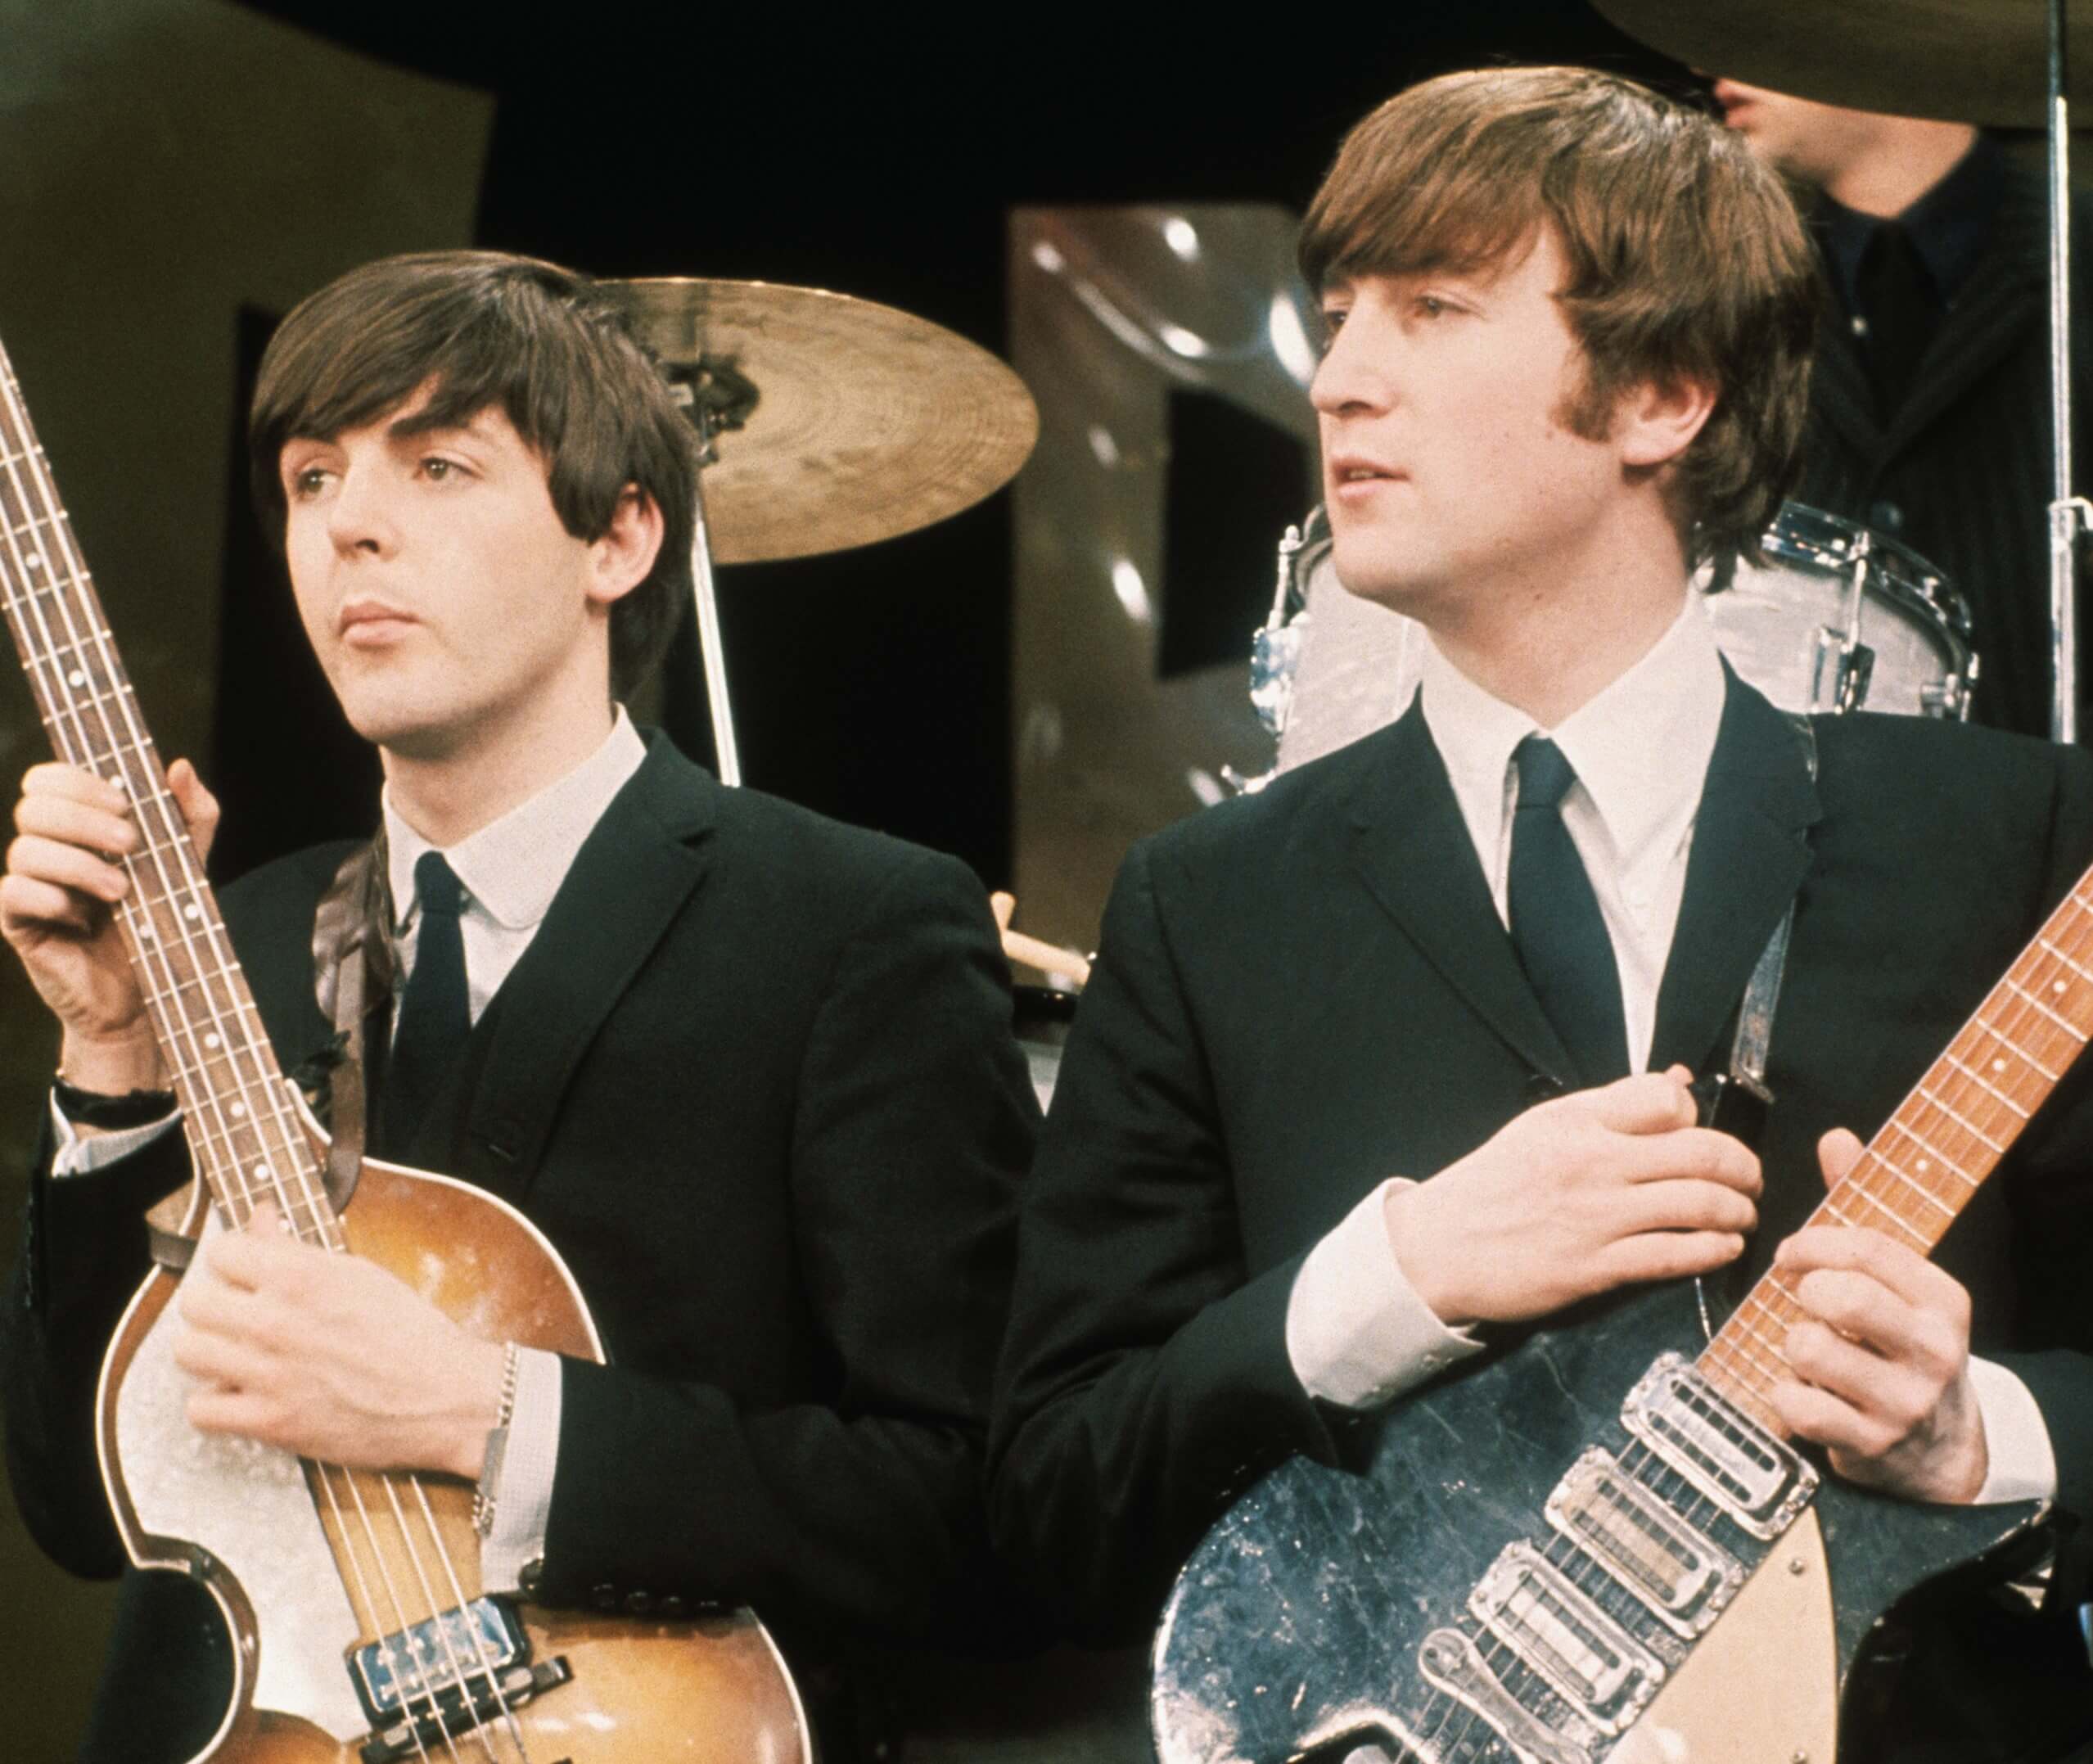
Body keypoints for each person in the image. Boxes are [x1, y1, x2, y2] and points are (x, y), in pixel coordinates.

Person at [990, 68, 2093, 1762]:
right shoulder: (1208, 903)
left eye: (1433, 309)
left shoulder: (2004, 836)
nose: (1343, 378)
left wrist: (1983, 1435)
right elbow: (1048, 1504)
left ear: (1663, 391)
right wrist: (1390, 1277)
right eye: (1340, 312)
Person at [0, 250, 1037, 1763]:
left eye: (436, 465)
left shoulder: (854, 926)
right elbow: (82, 1511)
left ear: (619, 536)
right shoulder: (236, 939)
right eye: (310, 478)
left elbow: (974, 1510)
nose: (350, 522)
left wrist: (484, 1415)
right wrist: (110, 1064)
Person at [1714, 76, 2093, 741]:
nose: (1708, 61)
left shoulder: (2075, 251)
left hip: (2048, 814)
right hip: (1781, 814)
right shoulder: (1725, 278)